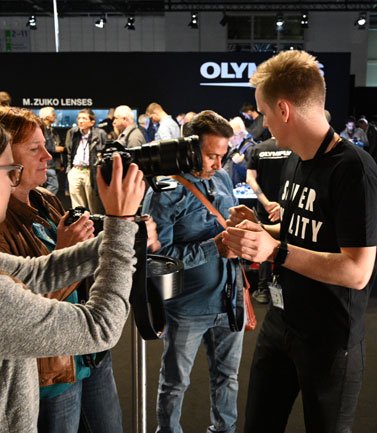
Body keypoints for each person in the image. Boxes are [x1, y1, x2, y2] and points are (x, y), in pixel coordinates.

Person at [0, 103, 145, 432]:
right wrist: (120, 223)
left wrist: (123, 234)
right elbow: (100, 327)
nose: (11, 182)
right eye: (8, 171)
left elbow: (38, 272)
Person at [221, 50, 377, 433]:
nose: (262, 123)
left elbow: (357, 271)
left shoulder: (354, 171)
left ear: (283, 109)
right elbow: (298, 231)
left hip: (329, 339)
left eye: (263, 113)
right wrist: (261, 232)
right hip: (281, 321)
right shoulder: (296, 159)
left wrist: (275, 250)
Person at [0, 107, 159, 432]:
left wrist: (119, 229)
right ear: (2, 156)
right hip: (51, 370)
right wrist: (75, 247)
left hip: (89, 353)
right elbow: (18, 315)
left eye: (44, 145)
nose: (48, 156)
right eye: (34, 149)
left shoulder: (45, 198)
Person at [142, 110, 245, 433]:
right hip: (187, 305)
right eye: (211, 155)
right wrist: (212, 247)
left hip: (230, 300)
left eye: (222, 155)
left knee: (228, 377)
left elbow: (228, 225)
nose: (218, 163)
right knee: (175, 382)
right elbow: (158, 257)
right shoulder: (165, 192)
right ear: (188, 149)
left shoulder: (223, 178)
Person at [245, 136, 291, 304]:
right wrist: (281, 206)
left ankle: (263, 289)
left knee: (264, 243)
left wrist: (266, 203)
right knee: (288, 243)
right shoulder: (292, 147)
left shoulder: (258, 149)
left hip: (266, 208)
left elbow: (250, 178)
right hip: (287, 207)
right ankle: (284, 287)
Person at [66, 108, 108, 214]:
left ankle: (94, 229)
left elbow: (104, 153)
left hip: (90, 171)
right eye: (79, 118)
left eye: (84, 118)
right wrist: (69, 171)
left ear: (92, 122)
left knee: (93, 206)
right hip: (75, 170)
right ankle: (79, 228)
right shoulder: (73, 133)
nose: (80, 121)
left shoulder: (100, 133)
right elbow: (69, 152)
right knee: (77, 208)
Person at [223, 116, 256, 186]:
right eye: (229, 134)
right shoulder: (230, 148)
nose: (231, 138)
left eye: (235, 134)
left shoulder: (250, 148)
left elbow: (254, 175)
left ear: (243, 134)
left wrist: (240, 163)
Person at [39, 106, 63, 195]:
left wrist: (60, 163)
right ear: (47, 117)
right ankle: (44, 200)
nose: (55, 116)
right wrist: (55, 149)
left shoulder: (52, 130)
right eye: (53, 114)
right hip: (47, 164)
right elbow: (41, 146)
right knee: (54, 186)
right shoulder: (42, 129)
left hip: (53, 164)